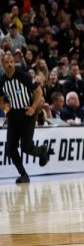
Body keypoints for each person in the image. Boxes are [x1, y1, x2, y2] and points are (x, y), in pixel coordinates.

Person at [0, 53, 52, 183]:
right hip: (13, 116)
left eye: (12, 61)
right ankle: (23, 174)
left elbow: (39, 91)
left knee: (26, 148)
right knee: (10, 148)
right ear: (2, 64)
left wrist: (33, 107)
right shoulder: (1, 80)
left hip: (27, 114)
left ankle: (42, 151)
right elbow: (1, 99)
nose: (10, 64)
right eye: (7, 62)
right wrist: (6, 111)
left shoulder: (24, 76)